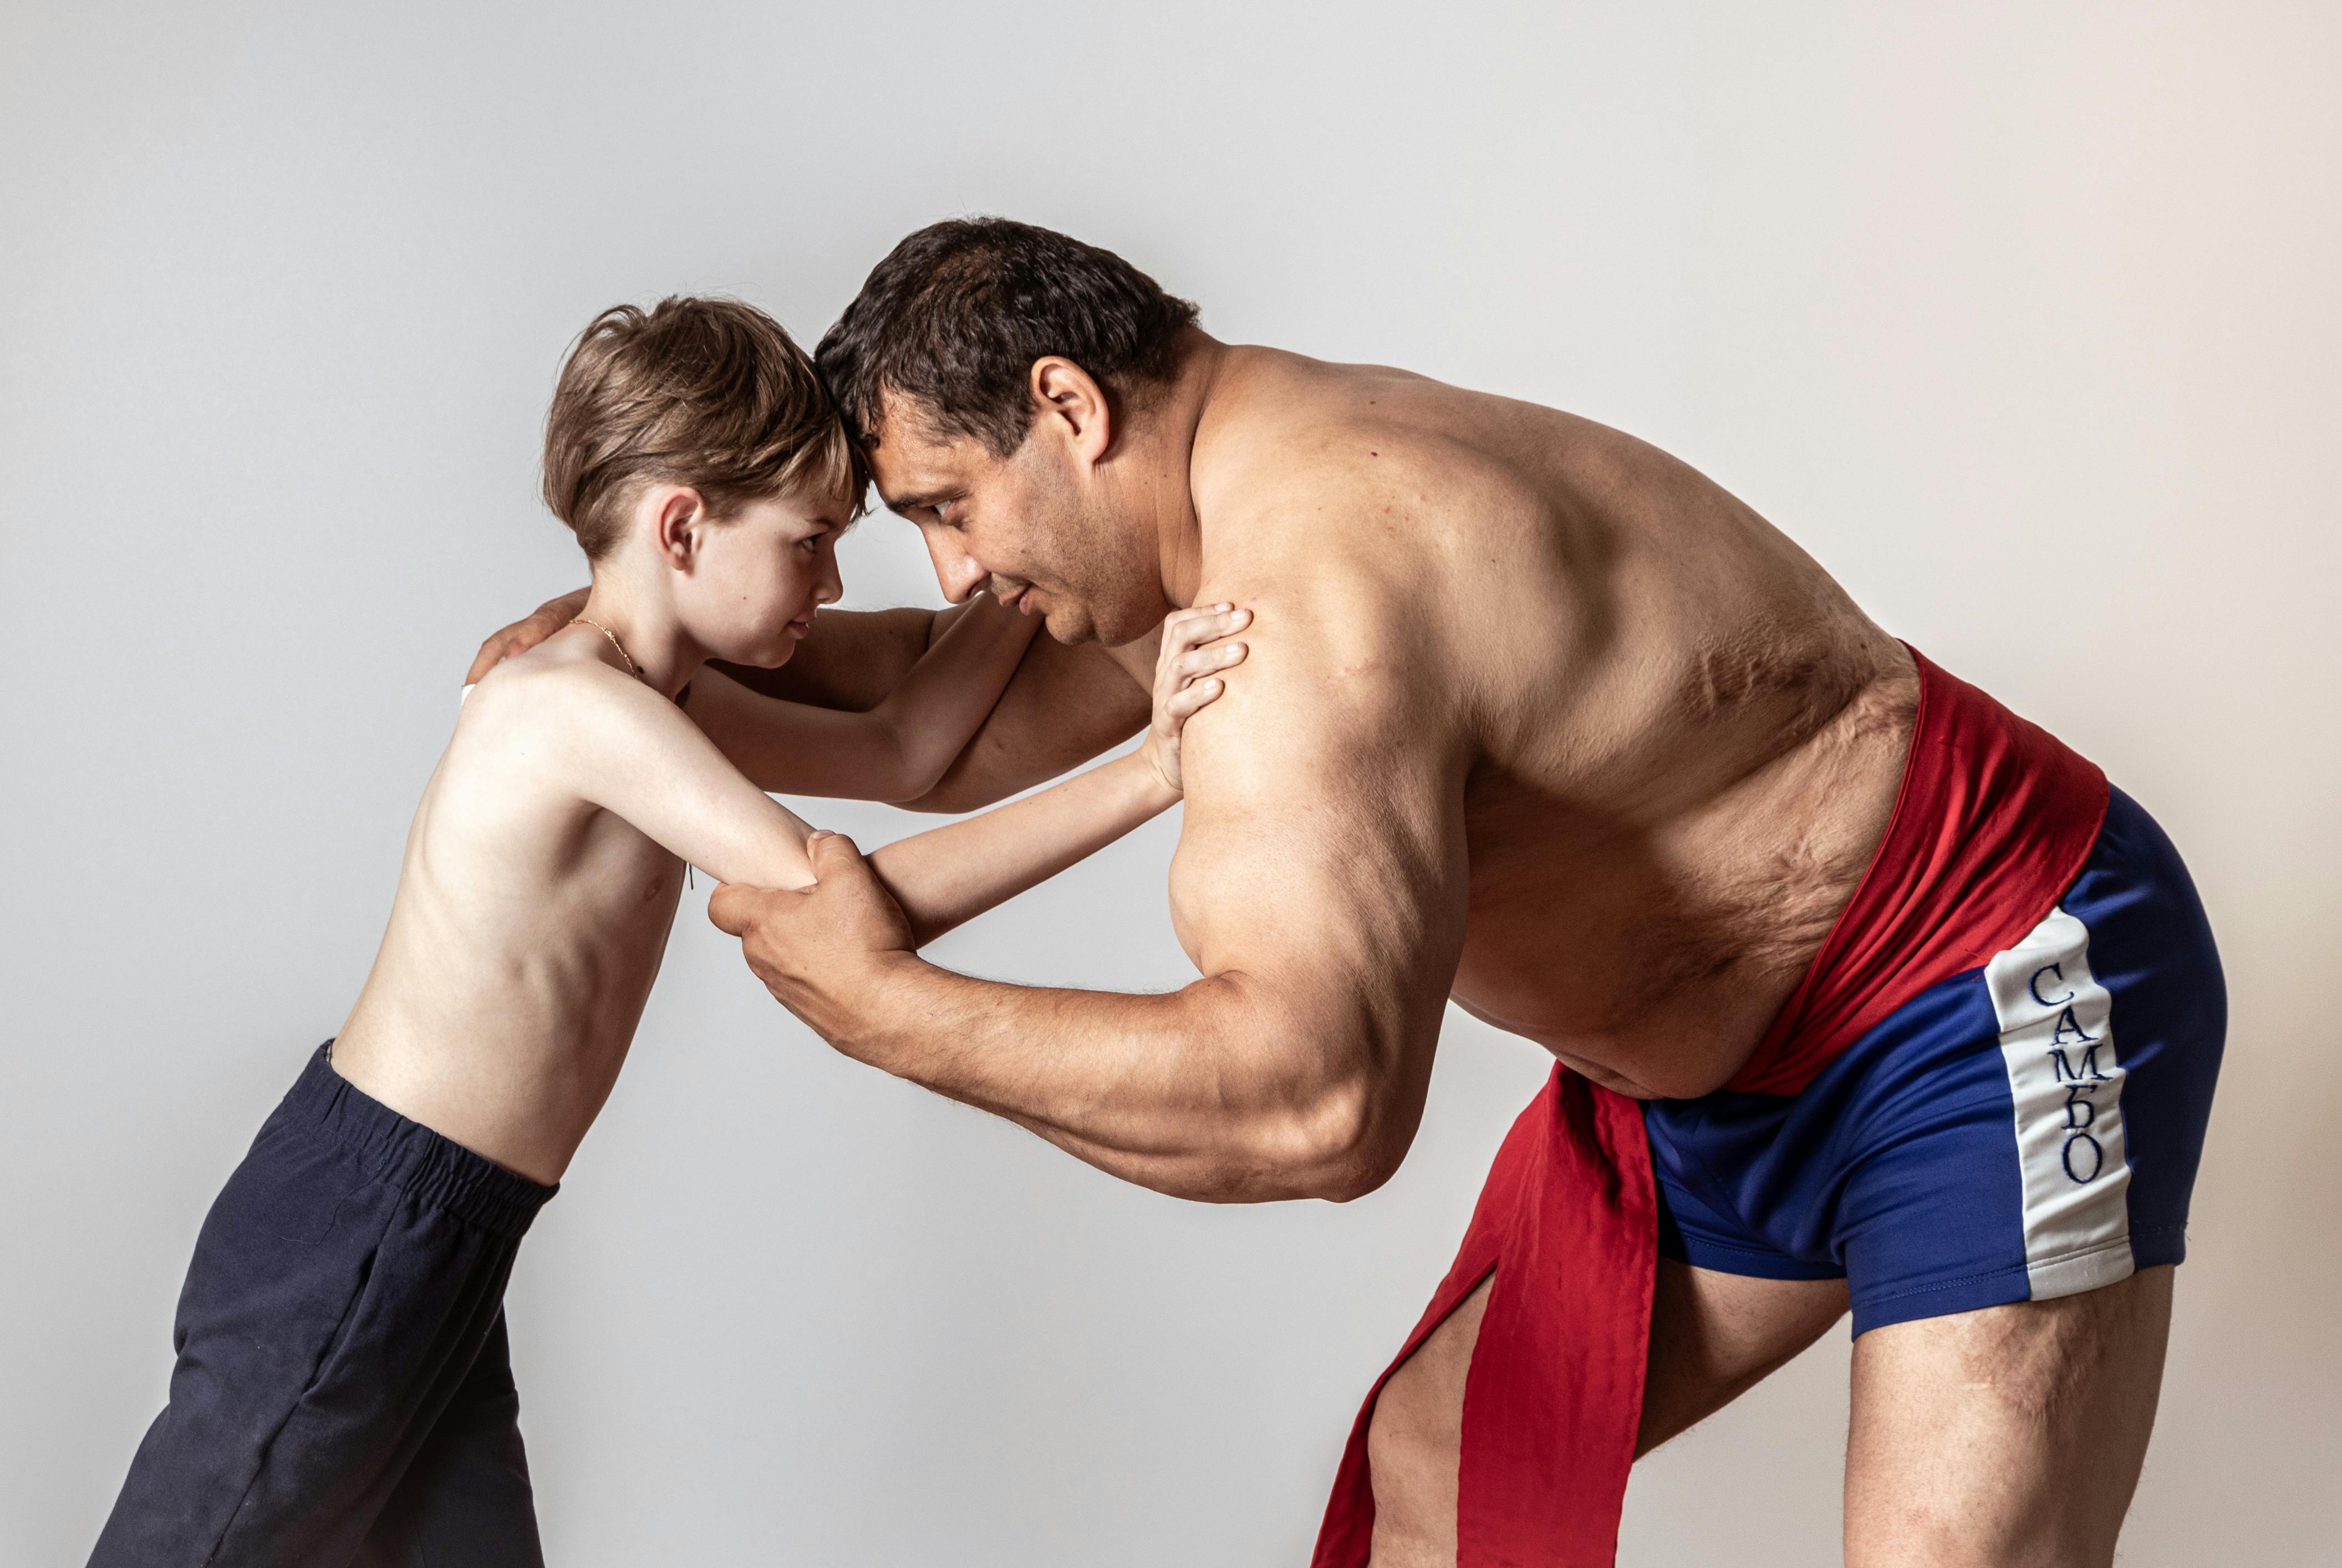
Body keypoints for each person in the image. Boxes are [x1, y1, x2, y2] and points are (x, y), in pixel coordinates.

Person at [482, 221, 2227, 1567]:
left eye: (948, 507)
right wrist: (631, 661)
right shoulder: (1203, 503)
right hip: (1713, 1080)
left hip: (1985, 980)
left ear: (1066, 412)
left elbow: (1316, 1103)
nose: (955, 574)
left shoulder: (1316, 590)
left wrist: (889, 1010)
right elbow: (945, 712)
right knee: (1438, 1475)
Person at [92, 294, 1243, 1568]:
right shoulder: (568, 712)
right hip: (358, 1220)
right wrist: (1151, 773)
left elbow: (906, 746)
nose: (836, 579)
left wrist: (1016, 554)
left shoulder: (658, 697)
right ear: (683, 527)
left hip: (454, 1234)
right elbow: (844, 912)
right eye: (810, 543)